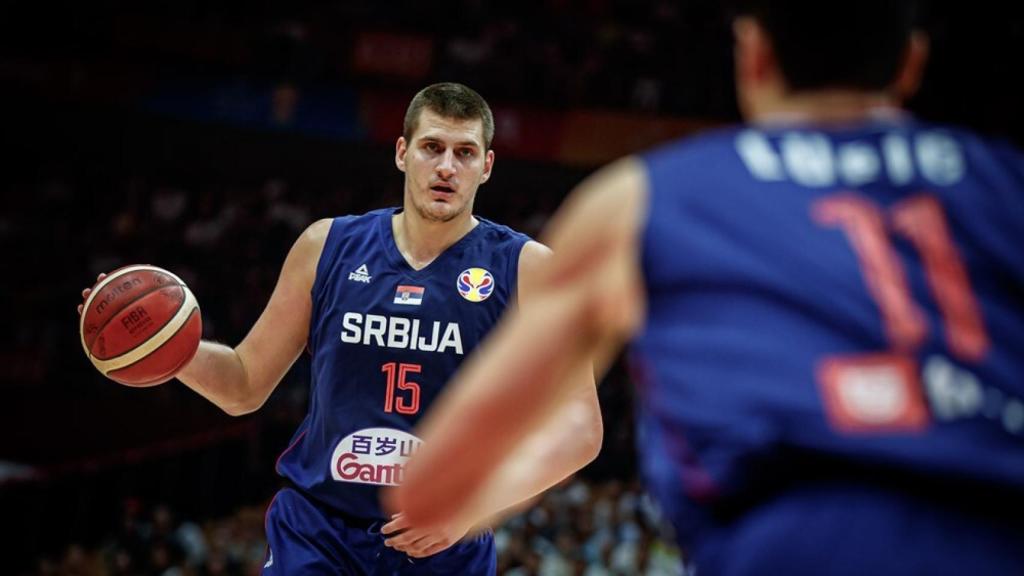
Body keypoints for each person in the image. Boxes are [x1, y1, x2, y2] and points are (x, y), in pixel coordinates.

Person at [391, 2, 1024, 574]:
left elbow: (431, 490)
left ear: (753, 56)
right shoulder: (1006, 186)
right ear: (910, 63)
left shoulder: (640, 199)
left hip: (788, 544)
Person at [79, 82, 602, 574]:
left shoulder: (530, 270)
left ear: (486, 166)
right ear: (402, 152)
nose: (447, 167)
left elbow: (580, 429)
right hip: (319, 529)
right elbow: (243, 385)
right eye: (431, 147)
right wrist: (167, 344)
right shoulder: (325, 247)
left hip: (446, 537)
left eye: (464, 153)